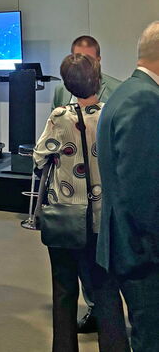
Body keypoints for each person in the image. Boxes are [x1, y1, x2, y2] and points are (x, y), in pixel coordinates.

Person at [34, 54, 129, 352]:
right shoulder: (111, 113)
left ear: (67, 83)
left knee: (63, 290)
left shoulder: (60, 117)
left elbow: (39, 156)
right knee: (105, 288)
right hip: (102, 219)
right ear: (97, 80)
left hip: (65, 216)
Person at [51, 35, 122, 333]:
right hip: (70, 198)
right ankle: (94, 308)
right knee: (78, 265)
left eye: (88, 60)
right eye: (76, 59)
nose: (81, 67)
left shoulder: (117, 91)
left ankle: (104, 312)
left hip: (104, 195)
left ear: (99, 61)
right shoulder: (59, 94)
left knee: (103, 264)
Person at [96, 21, 159, 352]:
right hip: (144, 254)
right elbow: (143, 191)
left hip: (125, 244)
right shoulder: (146, 101)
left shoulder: (125, 93)